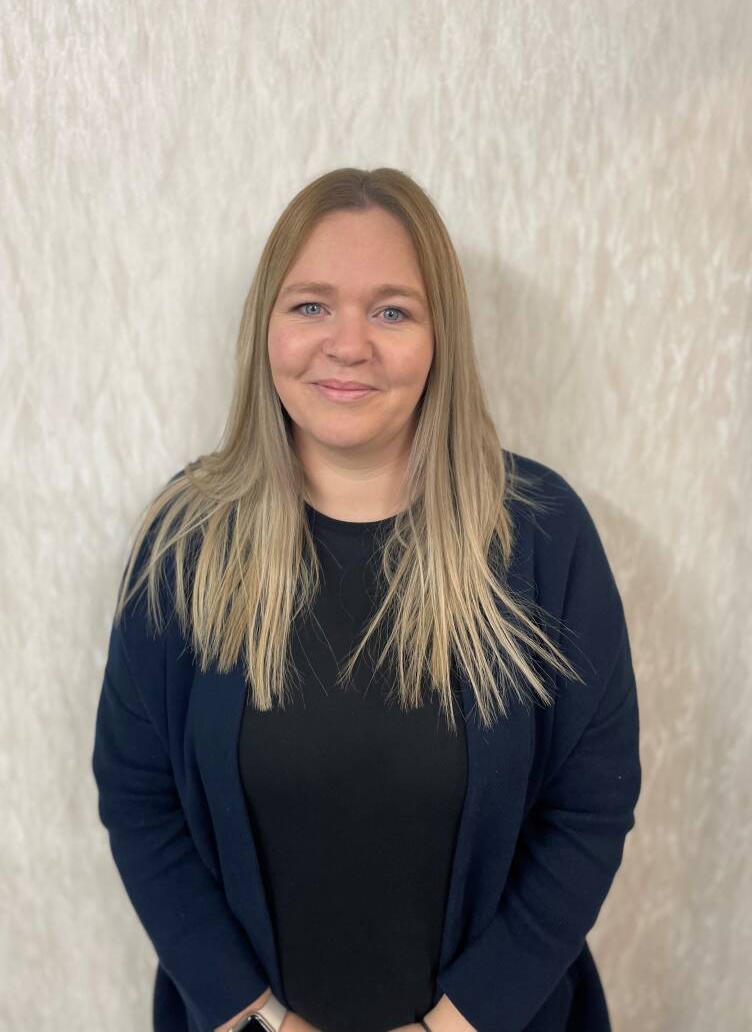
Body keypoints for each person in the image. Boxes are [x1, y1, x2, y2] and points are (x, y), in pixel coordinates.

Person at [92, 167, 642, 1032]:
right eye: (311, 305)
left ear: (440, 337)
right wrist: (264, 1020)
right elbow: (138, 799)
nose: (348, 345)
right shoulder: (187, 541)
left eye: (392, 312)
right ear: (266, 326)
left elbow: (589, 811)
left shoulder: (542, 536)